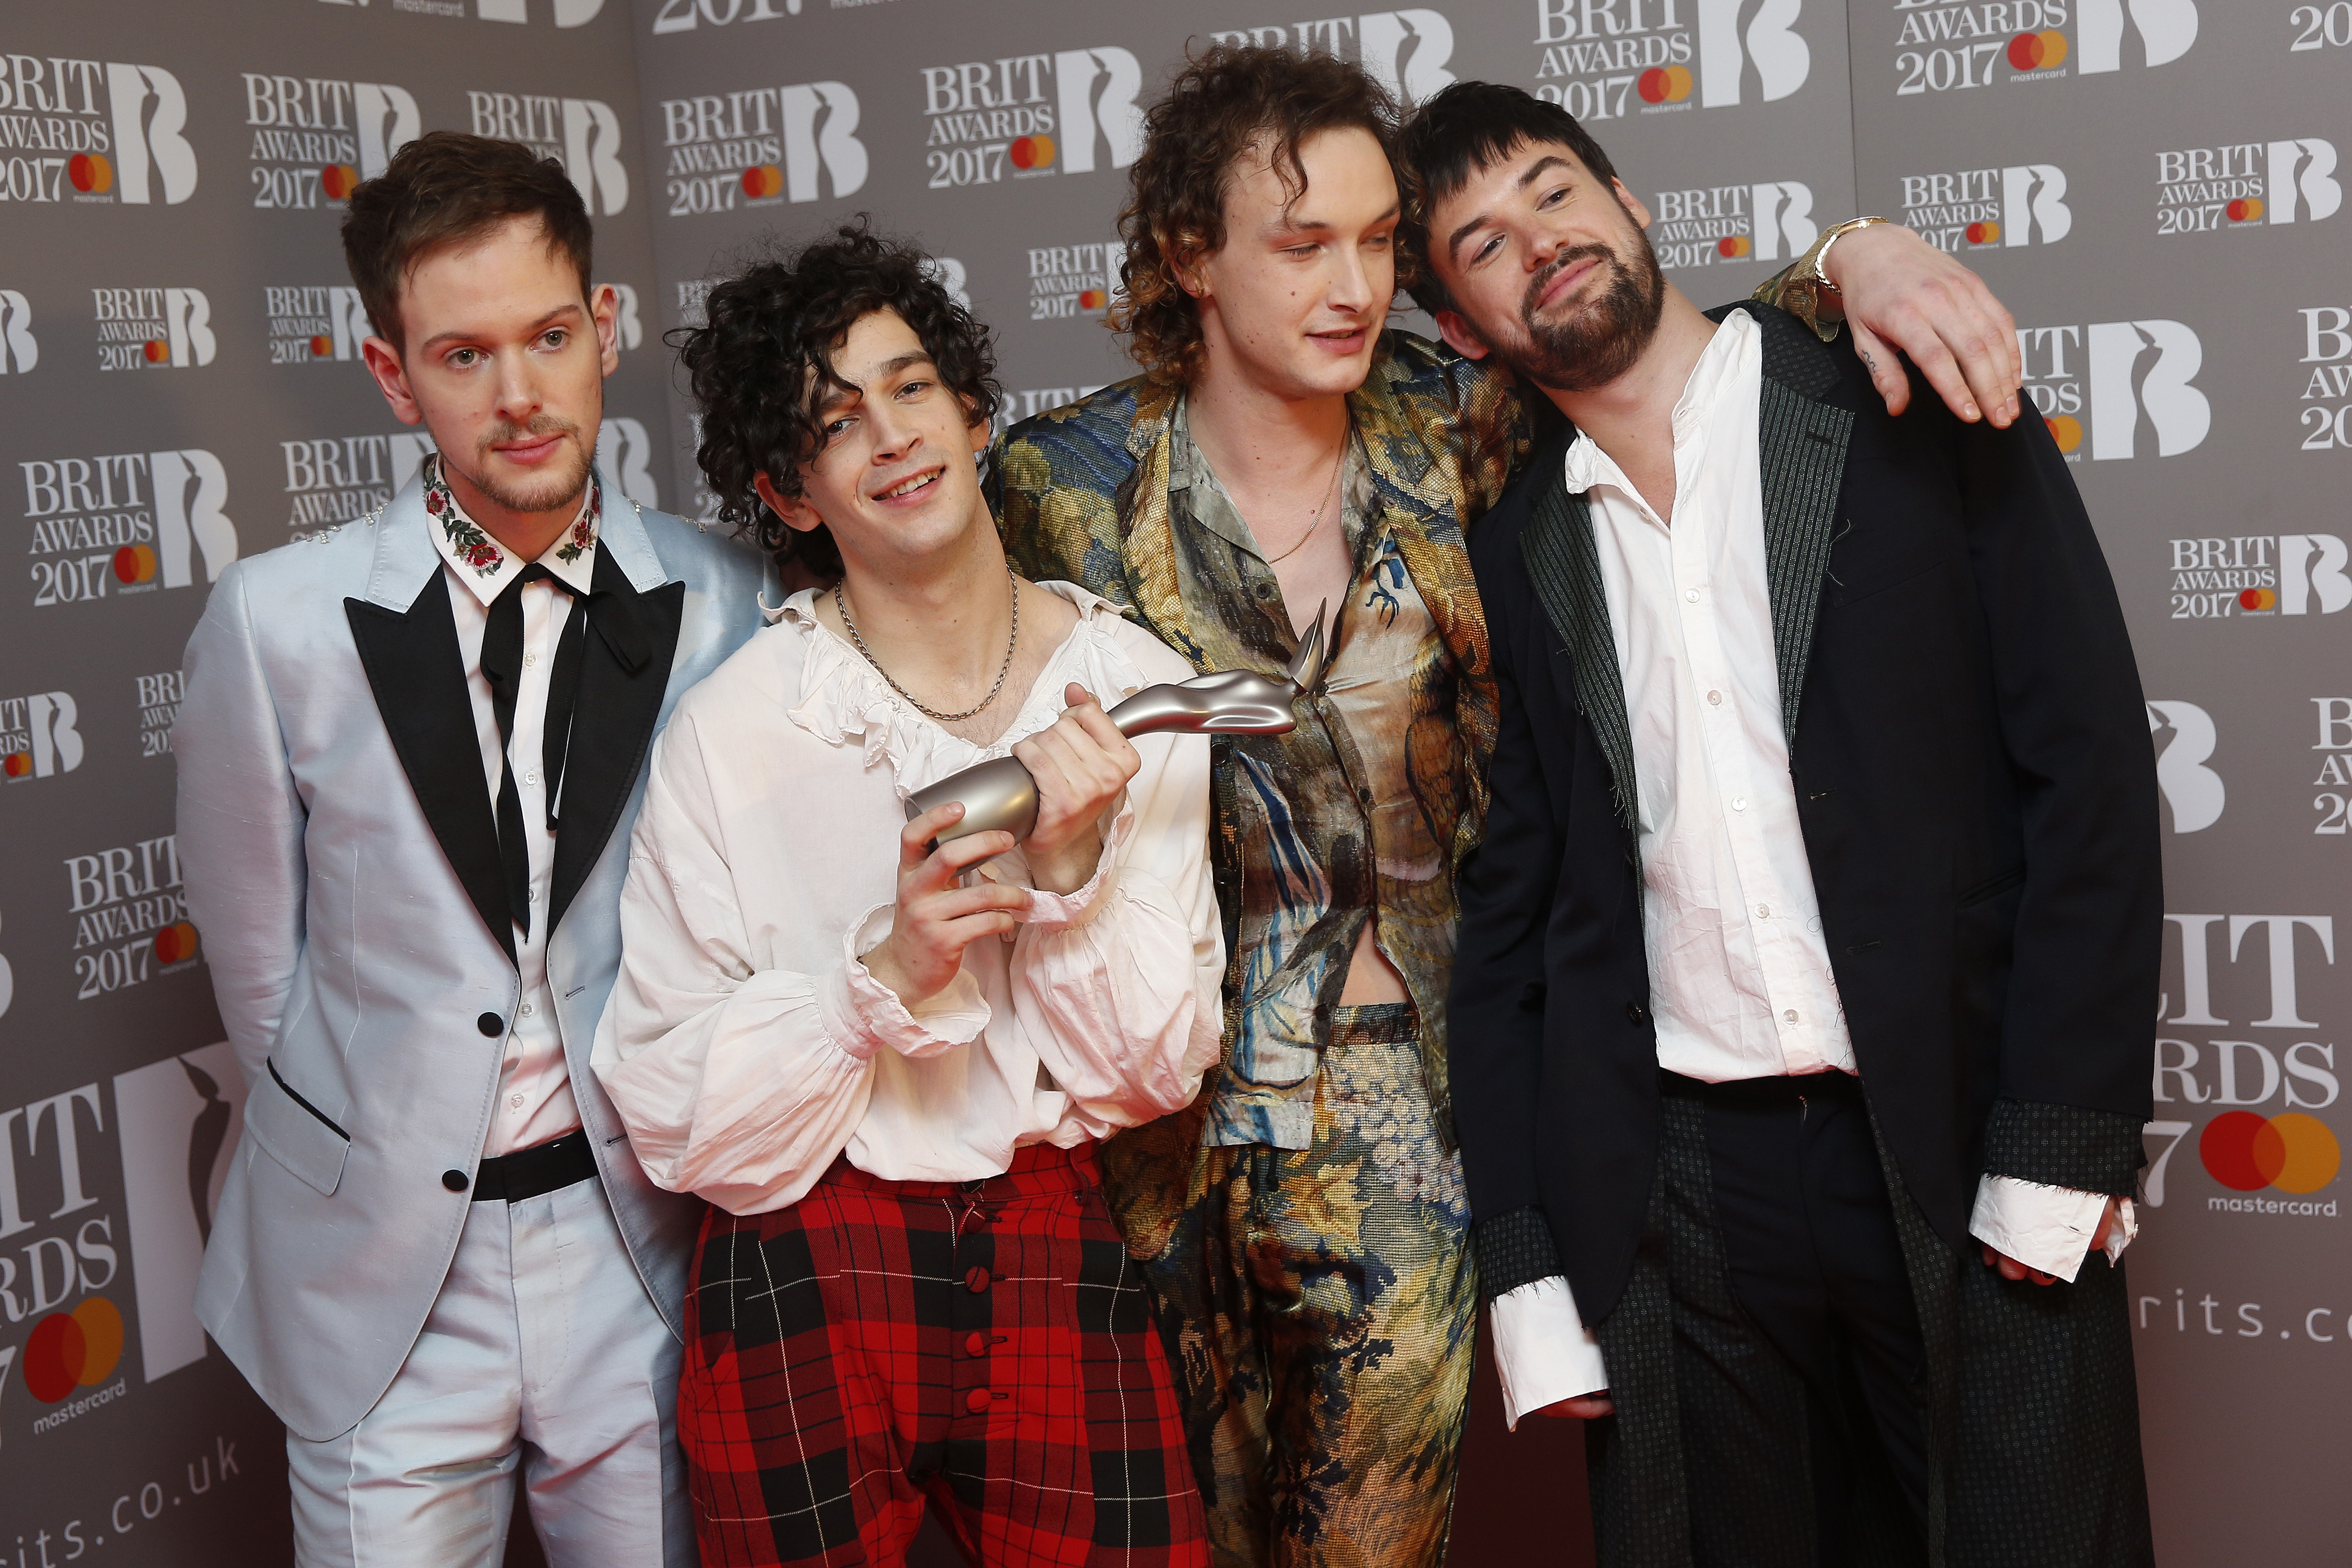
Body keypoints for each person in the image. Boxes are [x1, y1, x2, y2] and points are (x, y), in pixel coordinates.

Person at [993, 43, 2031, 1568]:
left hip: (1410, 1119)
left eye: (1375, 243)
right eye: (1301, 245)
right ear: (1185, 257)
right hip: (1152, 1121)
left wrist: (1844, 256)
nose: (1353, 282)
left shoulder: (1472, 424)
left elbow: (1681, 346)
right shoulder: (1057, 486)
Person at [1412, 83, 2160, 1565]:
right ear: (1460, 330)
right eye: (1480, 243)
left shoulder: (1894, 393)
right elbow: (1511, 925)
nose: (1538, 244)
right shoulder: (1515, 549)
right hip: (1677, 1199)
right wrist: (1524, 1267)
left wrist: (2059, 1147)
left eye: (1554, 192)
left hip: (1949, 1135)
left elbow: (2087, 776)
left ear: (1629, 200)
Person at [174, 132, 772, 1567]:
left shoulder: (728, 599)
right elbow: (264, 988)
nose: (519, 397)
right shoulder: (277, 625)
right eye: (463, 355)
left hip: (638, 1252)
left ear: (604, 329)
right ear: (392, 373)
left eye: (550, 337)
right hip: (381, 1284)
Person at [591, 224, 1224, 1568]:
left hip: (1053, 1232)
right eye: (836, 422)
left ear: (975, 412)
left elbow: (1159, 1070)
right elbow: (670, 1108)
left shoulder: (1129, 690)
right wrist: (876, 979)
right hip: (806, 1260)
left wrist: (1065, 875)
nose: (891, 435)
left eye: (911, 386)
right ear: (791, 492)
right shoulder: (737, 728)